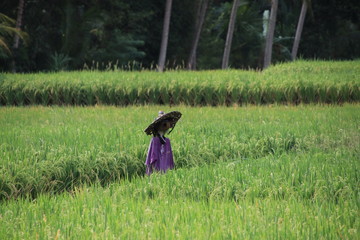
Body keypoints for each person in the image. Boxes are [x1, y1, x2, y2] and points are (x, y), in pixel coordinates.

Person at [144, 111, 182, 175]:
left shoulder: (167, 141)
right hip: (156, 171)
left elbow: (170, 159)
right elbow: (152, 158)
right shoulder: (155, 140)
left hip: (165, 172)